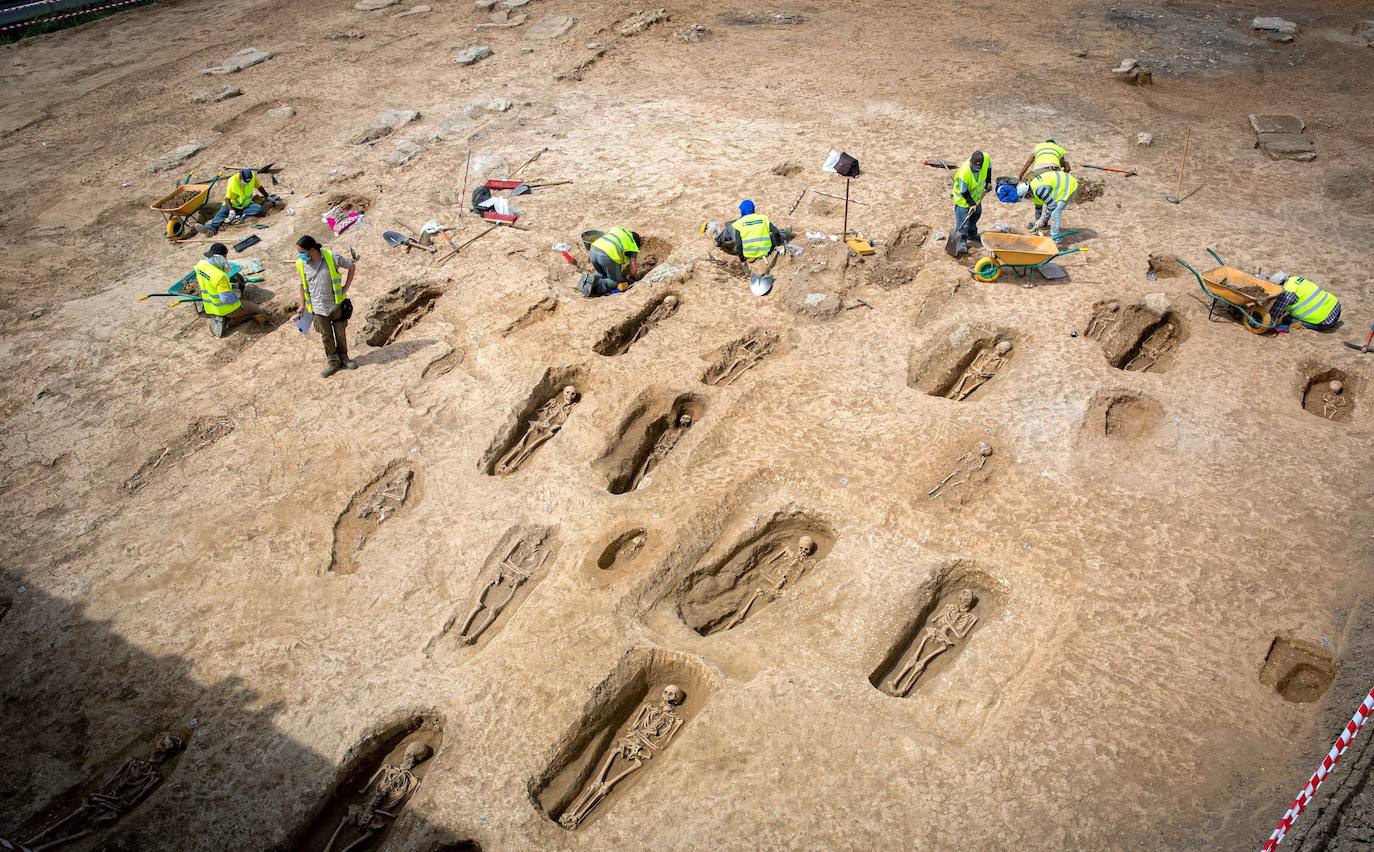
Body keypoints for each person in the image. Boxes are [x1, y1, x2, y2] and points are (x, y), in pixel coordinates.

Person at [294, 234, 357, 377]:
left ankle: (345, 358)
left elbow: (351, 266)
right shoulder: (300, 264)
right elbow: (301, 285)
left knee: (340, 333)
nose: (300, 256)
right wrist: (302, 306)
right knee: (326, 336)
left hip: (335, 304)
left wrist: (345, 288)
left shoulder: (331, 257)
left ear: (311, 250)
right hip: (317, 308)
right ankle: (333, 362)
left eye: (301, 252)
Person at [194, 243, 265, 336]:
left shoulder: (200, 265)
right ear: (220, 257)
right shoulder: (220, 276)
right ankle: (239, 321)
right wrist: (237, 299)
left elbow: (210, 282)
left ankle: (224, 317)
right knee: (257, 309)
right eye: (225, 256)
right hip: (225, 308)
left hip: (209, 306)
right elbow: (226, 299)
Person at [715, 199, 786, 278]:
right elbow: (775, 232)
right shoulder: (763, 218)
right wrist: (779, 245)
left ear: (742, 211)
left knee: (729, 229)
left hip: (748, 254)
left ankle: (718, 240)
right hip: (765, 251)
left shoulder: (738, 223)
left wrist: (742, 260)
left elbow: (739, 244)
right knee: (779, 232)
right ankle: (786, 231)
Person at [199, 168, 276, 236]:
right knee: (221, 213)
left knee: (258, 209)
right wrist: (231, 211)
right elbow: (227, 199)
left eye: (248, 181)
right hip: (232, 205)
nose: (247, 183)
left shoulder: (252, 177)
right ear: (240, 177)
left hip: (246, 205)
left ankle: (238, 216)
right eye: (245, 181)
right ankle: (212, 229)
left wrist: (267, 196)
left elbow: (259, 186)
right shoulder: (233, 181)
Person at [1267, 272, 1342, 331]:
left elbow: (1272, 315)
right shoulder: (1296, 279)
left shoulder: (1287, 293)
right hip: (1336, 307)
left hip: (1325, 323)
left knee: (1286, 319)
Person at [1019, 169, 1079, 240]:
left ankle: (1055, 240)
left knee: (1055, 213)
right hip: (1061, 184)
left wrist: (1042, 220)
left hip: (1069, 185)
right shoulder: (1033, 189)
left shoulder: (1040, 190)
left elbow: (1052, 205)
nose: (1027, 198)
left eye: (1026, 196)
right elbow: (1038, 207)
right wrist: (1038, 223)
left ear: (1028, 192)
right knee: (1051, 211)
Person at [951, 151, 991, 251]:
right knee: (963, 223)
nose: (976, 169)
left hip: (977, 197)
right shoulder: (964, 173)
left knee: (977, 214)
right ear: (971, 161)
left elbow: (989, 167)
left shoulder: (985, 158)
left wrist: (988, 182)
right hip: (963, 200)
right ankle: (961, 241)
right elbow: (963, 191)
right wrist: (971, 204)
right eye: (974, 167)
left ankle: (971, 234)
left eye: (979, 167)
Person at [586, 227, 641, 294]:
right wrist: (633, 278)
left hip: (594, 249)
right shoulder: (633, 245)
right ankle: (598, 283)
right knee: (614, 281)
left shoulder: (620, 230)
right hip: (607, 254)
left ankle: (591, 279)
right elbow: (633, 270)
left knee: (600, 273)